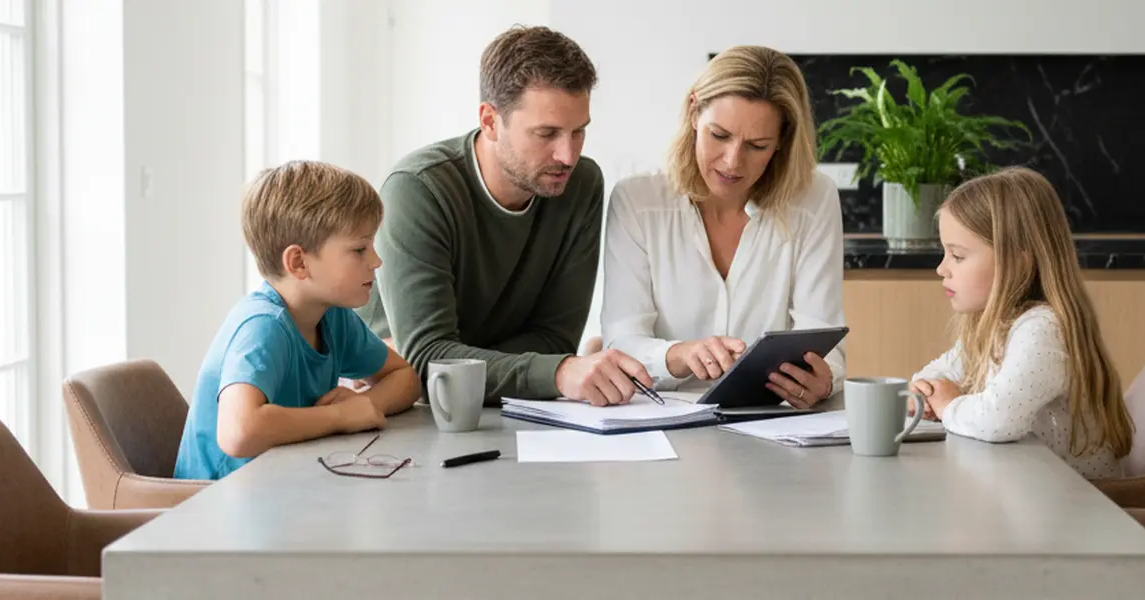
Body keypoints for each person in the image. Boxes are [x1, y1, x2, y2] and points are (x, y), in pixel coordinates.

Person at [358, 25, 652, 407]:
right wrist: (557, 372)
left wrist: (461, 357)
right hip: (394, 406)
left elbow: (556, 339)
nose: (567, 155)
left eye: (578, 131)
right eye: (546, 133)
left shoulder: (581, 184)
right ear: (490, 121)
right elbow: (429, 361)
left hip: (501, 409)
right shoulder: (418, 189)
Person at [600, 45, 846, 410]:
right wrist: (681, 355)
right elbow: (620, 342)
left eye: (757, 146)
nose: (733, 161)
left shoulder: (814, 198)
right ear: (693, 111)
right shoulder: (637, 202)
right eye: (719, 135)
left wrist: (822, 381)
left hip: (775, 427)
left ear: (782, 142)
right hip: (660, 424)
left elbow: (826, 344)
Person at [175, 161, 421, 481]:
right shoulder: (263, 327)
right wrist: (337, 417)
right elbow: (238, 432)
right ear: (298, 262)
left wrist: (365, 405)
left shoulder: (332, 316)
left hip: (284, 489)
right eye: (359, 249)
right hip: (218, 506)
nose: (376, 261)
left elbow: (405, 377)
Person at [908, 167, 1134, 478]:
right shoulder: (994, 326)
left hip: (1077, 512)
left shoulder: (1042, 329)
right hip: (1036, 500)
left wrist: (948, 406)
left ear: (1017, 262)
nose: (941, 269)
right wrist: (923, 391)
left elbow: (999, 417)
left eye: (957, 256)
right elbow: (939, 373)